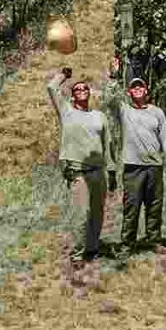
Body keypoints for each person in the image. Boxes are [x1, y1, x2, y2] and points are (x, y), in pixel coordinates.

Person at [104, 56, 166, 256]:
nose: (137, 89)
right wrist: (113, 76)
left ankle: (153, 240)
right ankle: (127, 244)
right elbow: (110, 100)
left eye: (140, 87)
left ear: (146, 91)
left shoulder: (157, 113)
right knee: (132, 207)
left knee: (154, 206)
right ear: (129, 92)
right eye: (133, 87)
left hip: (155, 166)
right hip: (132, 167)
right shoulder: (124, 111)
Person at [47, 67, 114, 266]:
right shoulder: (66, 111)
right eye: (77, 89)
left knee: (97, 213)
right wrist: (63, 76)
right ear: (72, 95)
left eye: (85, 88)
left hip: (98, 172)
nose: (82, 90)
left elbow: (108, 144)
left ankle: (92, 249)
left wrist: (111, 171)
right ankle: (77, 254)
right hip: (78, 172)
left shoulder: (99, 116)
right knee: (81, 215)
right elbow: (51, 88)